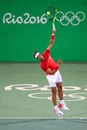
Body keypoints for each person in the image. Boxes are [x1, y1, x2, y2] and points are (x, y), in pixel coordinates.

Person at [33, 25, 69, 116]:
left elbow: (51, 43)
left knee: (60, 87)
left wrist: (53, 33)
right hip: (51, 76)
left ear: (41, 54)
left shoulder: (46, 53)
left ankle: (62, 103)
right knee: (54, 91)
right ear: (37, 59)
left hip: (57, 72)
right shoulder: (42, 65)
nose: (40, 56)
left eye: (39, 55)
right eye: (38, 57)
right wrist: (58, 64)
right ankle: (56, 109)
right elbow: (51, 72)